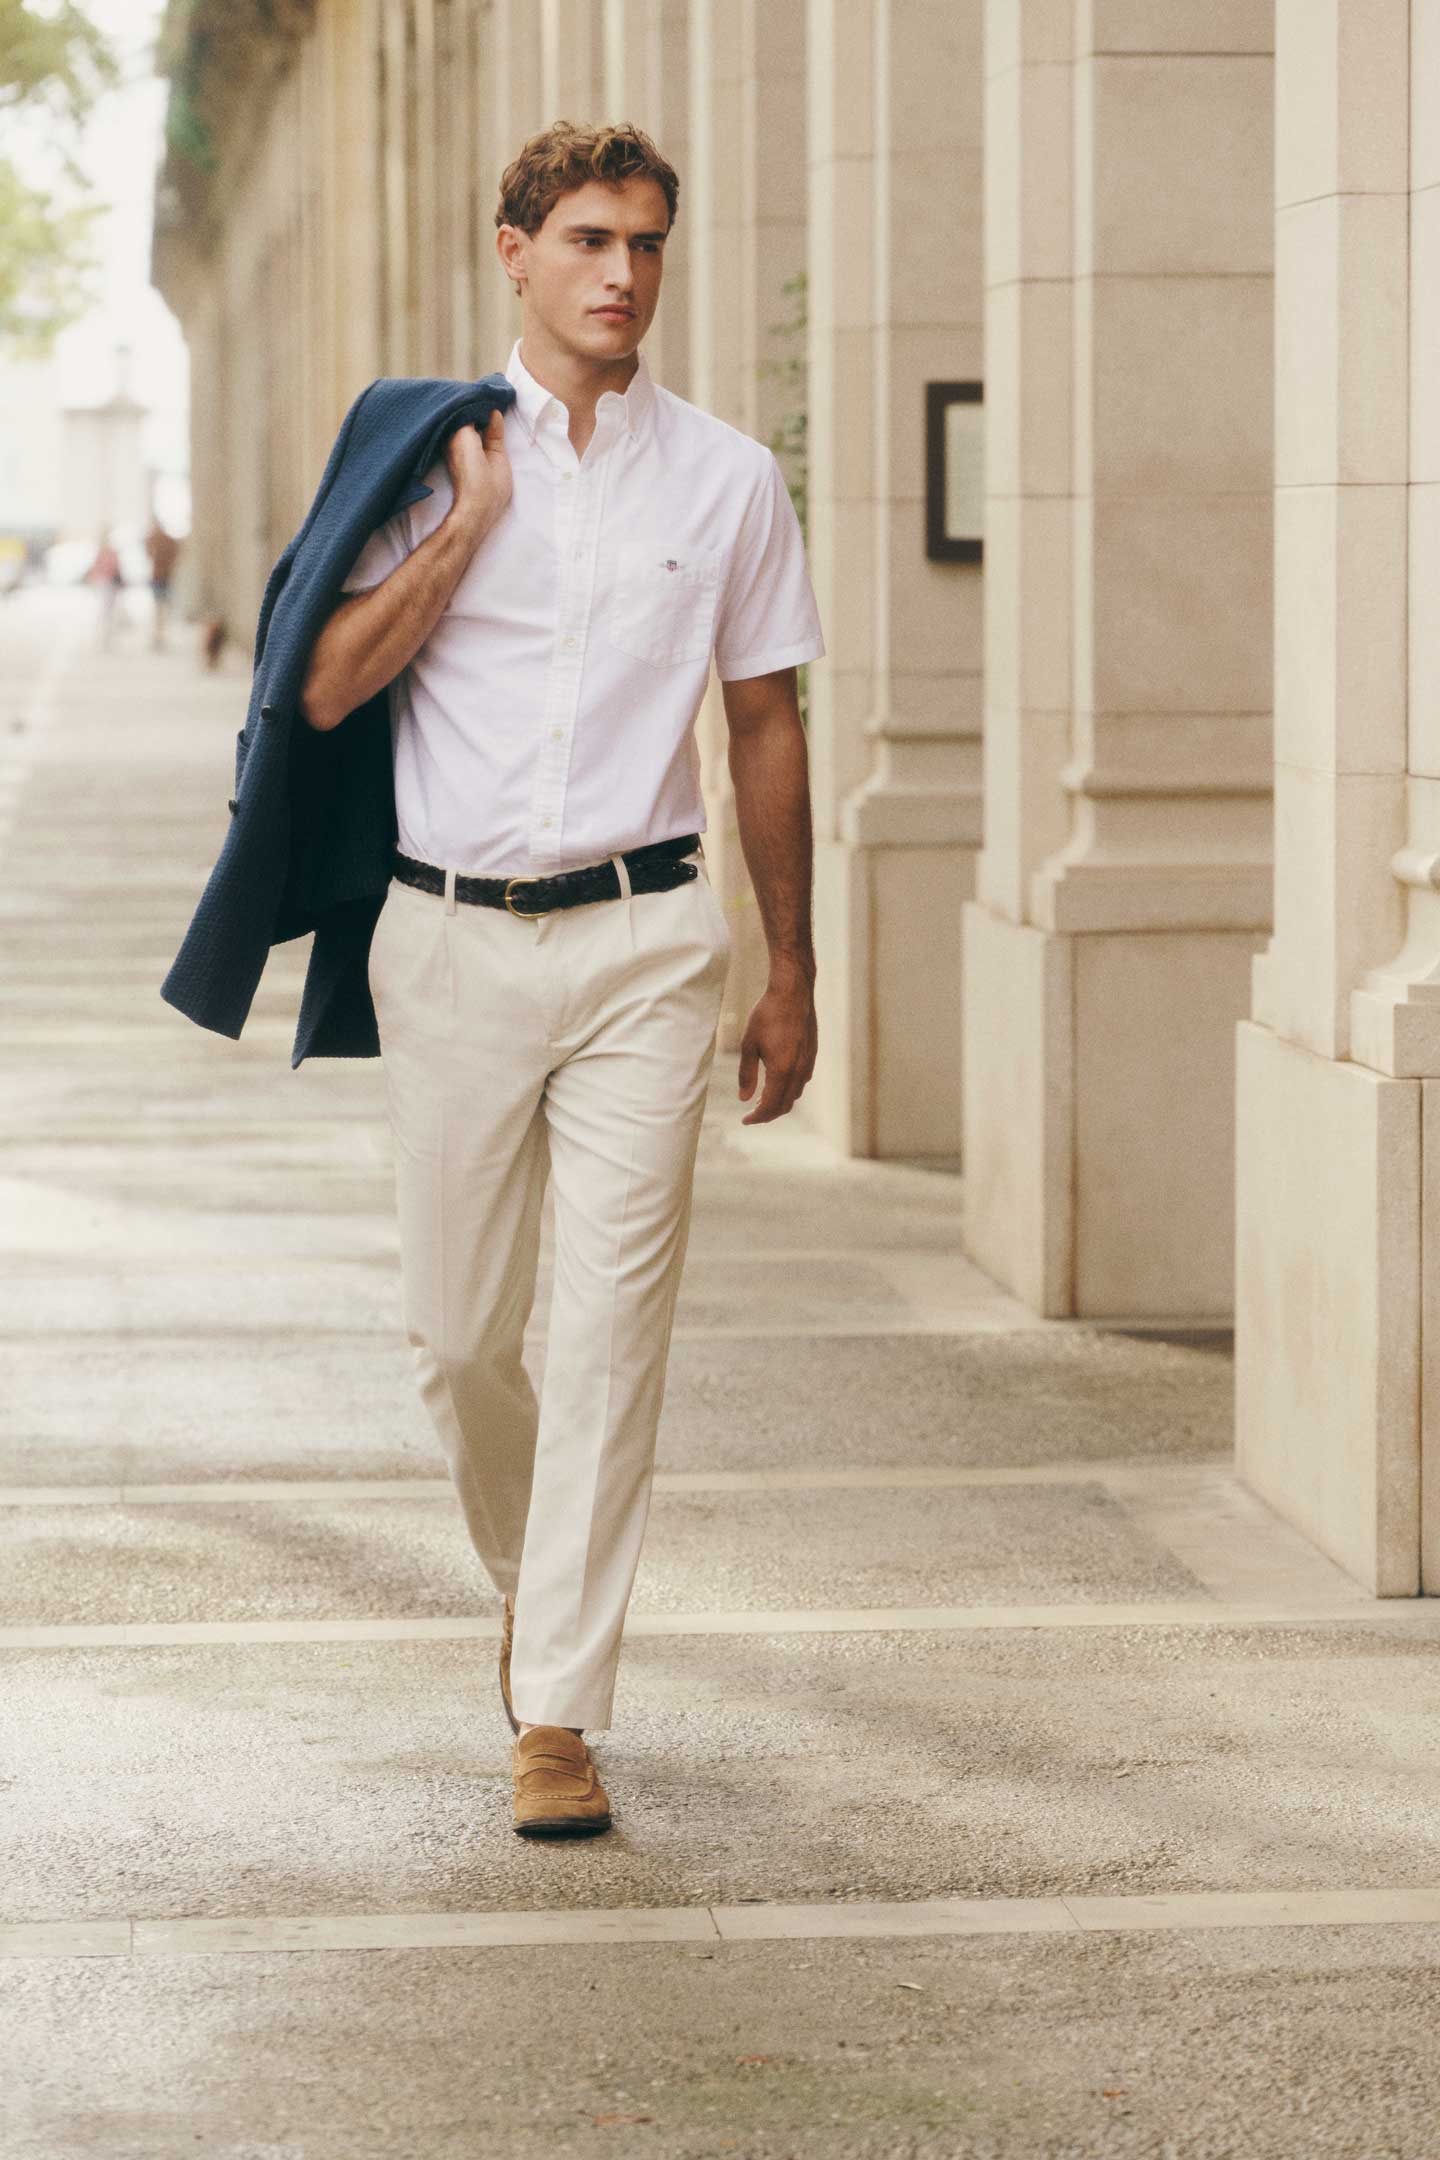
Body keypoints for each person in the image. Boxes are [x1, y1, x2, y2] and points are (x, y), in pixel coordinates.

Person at [299, 120, 825, 1839]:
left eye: (649, 242)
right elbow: (322, 688)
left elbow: (764, 720)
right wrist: (466, 529)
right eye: (590, 238)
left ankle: (558, 1713)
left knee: (607, 1339)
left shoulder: (729, 480)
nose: (623, 272)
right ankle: (539, 1589)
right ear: (512, 250)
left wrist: (791, 967)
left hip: (645, 948)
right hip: (445, 937)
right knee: (460, 1341)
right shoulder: (420, 457)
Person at [83, 531, 125, 650]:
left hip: (105, 583)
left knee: (105, 611)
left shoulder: (104, 552)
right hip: (106, 584)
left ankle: (105, 636)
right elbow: (116, 567)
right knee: (106, 611)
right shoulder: (108, 552)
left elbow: (98, 568)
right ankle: (105, 636)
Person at [144, 520, 182, 651]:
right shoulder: (162, 540)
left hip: (162, 578)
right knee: (161, 608)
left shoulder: (158, 540)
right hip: (161, 578)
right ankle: (159, 635)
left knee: (160, 609)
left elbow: (148, 551)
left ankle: (160, 635)